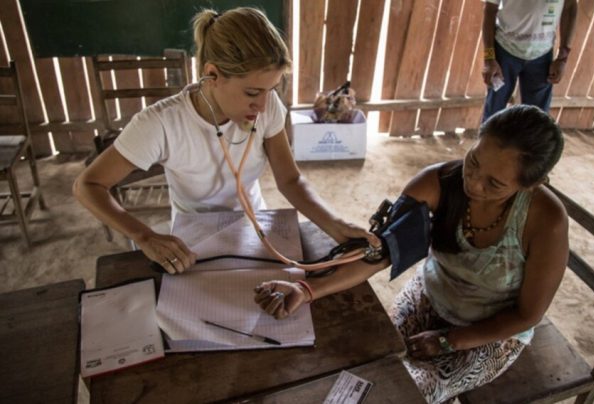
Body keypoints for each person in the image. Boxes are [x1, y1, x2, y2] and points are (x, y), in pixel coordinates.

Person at [255, 105, 569, 403]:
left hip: (492, 330)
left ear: (531, 184)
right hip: (430, 294)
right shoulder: (437, 183)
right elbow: (379, 254)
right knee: (366, 361)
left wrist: (450, 340)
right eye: (473, 161)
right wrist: (306, 289)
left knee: (400, 391)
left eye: (494, 183)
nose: (473, 182)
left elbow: (528, 315)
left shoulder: (546, 221)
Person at [74, 7, 373, 274]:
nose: (264, 104)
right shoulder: (161, 123)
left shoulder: (267, 107)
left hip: (254, 222)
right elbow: (88, 185)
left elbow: (290, 181)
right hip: (193, 233)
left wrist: (335, 224)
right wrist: (145, 236)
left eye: (271, 90)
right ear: (212, 74)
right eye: (253, 93)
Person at [482, 0, 577, 122]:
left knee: (537, 119)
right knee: (493, 113)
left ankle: (529, 142)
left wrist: (562, 58)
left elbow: (570, 8)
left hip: (542, 55)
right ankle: (488, 141)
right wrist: (489, 58)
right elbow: (489, 9)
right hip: (504, 51)